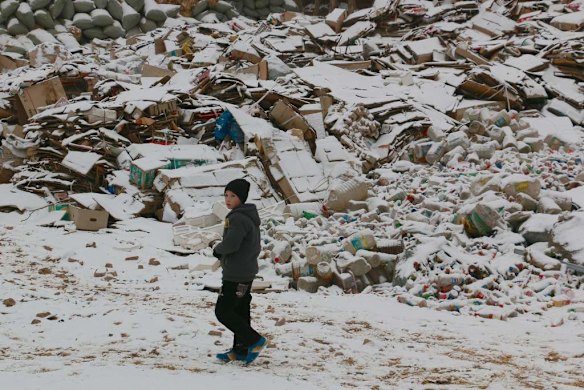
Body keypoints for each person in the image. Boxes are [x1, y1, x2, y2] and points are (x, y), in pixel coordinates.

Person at [212, 178, 267, 364]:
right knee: (240, 310)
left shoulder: (237, 217)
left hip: (235, 274)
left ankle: (255, 341)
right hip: (246, 271)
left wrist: (217, 250)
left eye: (233, 196)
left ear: (241, 198)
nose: (228, 199)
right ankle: (241, 350)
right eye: (226, 195)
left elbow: (231, 244)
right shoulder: (248, 216)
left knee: (223, 311)